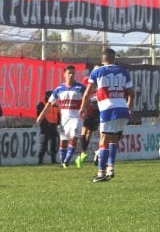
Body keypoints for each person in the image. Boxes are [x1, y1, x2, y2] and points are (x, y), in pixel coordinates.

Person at [80, 48, 134, 182]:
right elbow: (132, 93)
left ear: (102, 59)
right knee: (114, 138)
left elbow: (87, 93)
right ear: (114, 58)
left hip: (108, 108)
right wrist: (130, 108)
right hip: (122, 108)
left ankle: (101, 173)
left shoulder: (97, 72)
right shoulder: (123, 71)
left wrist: (82, 107)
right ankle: (110, 168)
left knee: (103, 139)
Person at [38, 66, 86, 169]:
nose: (71, 75)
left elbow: (87, 100)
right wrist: (41, 115)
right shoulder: (59, 89)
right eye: (69, 73)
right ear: (64, 74)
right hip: (64, 119)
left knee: (74, 137)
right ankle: (62, 162)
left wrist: (85, 109)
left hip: (77, 117)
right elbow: (49, 103)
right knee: (63, 140)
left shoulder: (81, 88)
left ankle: (66, 161)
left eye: (73, 73)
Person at [77, 64, 101, 167]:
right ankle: (83, 152)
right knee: (84, 130)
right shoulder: (87, 80)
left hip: (96, 112)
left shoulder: (102, 82)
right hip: (88, 110)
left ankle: (83, 152)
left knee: (89, 134)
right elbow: (83, 93)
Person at [35, 90, 59, 165]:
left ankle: (53, 159)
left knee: (54, 144)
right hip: (45, 127)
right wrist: (45, 123)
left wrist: (58, 123)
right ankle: (40, 160)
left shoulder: (55, 105)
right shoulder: (41, 104)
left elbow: (58, 115)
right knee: (43, 145)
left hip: (53, 126)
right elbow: (39, 114)